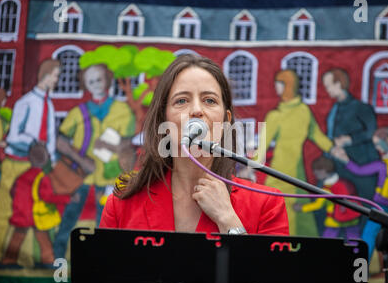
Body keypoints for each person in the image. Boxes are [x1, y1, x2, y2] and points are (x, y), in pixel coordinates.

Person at [100, 55, 289, 236]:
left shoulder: (266, 204)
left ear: (225, 121)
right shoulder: (121, 204)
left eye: (210, 100)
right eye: (181, 101)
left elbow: (269, 270)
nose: (197, 110)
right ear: (163, 121)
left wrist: (228, 220)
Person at [53, 64, 136, 259]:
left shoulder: (122, 109)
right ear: (85, 85)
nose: (96, 85)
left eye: (99, 79)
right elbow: (61, 141)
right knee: (69, 219)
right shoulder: (79, 112)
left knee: (106, 222)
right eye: (91, 81)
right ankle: (57, 261)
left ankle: (101, 263)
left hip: (109, 177)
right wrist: (80, 160)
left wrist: (113, 148)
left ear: (107, 80)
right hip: (82, 177)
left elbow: (128, 144)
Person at [331, 126, 388, 281]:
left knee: (367, 238)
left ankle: (357, 272)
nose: (376, 147)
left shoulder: (382, 165)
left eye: (378, 144)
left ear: (385, 143)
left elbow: (359, 170)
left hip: (381, 208)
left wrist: (344, 159)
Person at [0, 59, 60, 262]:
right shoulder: (25, 102)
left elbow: (51, 137)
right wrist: (33, 143)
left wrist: (52, 161)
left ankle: (27, 260)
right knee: (7, 209)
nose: (57, 80)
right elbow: (13, 137)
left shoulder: (49, 104)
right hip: (17, 162)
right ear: (46, 75)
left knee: (34, 214)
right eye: (56, 75)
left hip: (36, 168)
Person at [254, 69, 333, 236]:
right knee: (287, 211)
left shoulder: (291, 113)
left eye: (279, 83)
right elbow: (262, 147)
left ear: (287, 86)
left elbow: (316, 135)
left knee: (291, 212)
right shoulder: (285, 113)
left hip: (287, 172)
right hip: (286, 172)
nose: (276, 87)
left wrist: (334, 150)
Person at [0, 142, 70, 269]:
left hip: (21, 213)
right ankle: (48, 262)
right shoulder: (43, 177)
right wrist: (66, 198)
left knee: (17, 238)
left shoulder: (22, 176)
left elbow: (12, 191)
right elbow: (47, 196)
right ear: (46, 159)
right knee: (44, 240)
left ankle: (8, 261)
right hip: (37, 216)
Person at [322, 68, 379, 209]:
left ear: (339, 84)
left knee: (365, 205)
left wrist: (349, 139)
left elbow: (370, 131)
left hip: (363, 165)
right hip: (342, 167)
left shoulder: (361, 107)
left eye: (328, 85)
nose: (326, 89)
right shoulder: (335, 109)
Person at [293, 156, 361, 240]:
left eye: (316, 172)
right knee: (355, 241)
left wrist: (302, 208)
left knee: (326, 243)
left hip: (334, 221)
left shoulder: (327, 189)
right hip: (352, 219)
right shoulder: (344, 182)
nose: (315, 174)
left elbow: (317, 205)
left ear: (323, 171)